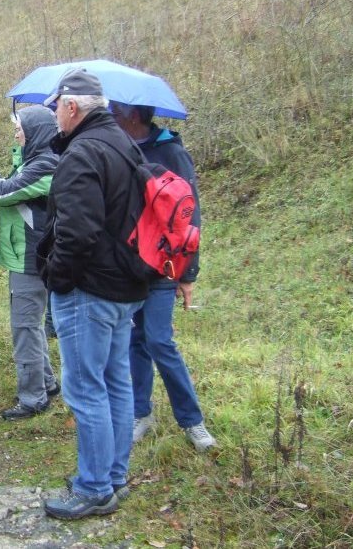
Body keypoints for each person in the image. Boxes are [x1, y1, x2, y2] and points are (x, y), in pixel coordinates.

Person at [37, 70, 148, 519]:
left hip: (90, 289)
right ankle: (112, 476)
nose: (53, 115)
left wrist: (57, 277)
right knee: (116, 382)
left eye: (55, 107)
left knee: (86, 389)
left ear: (71, 106)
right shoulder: (125, 143)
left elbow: (77, 233)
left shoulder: (83, 152)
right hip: (125, 286)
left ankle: (94, 487)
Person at [110, 102, 216, 452]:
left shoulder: (172, 152)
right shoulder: (118, 147)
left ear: (134, 116)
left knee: (158, 340)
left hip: (164, 264)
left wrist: (189, 272)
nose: (110, 116)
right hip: (129, 261)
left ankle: (192, 420)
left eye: (115, 112)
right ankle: (140, 413)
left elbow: (190, 213)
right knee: (134, 339)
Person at [0, 106, 61, 420]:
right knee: (31, 326)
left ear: (36, 132)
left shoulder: (46, 165)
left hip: (32, 258)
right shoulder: (34, 161)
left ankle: (33, 398)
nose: (17, 134)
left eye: (21, 129)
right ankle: (46, 383)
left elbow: (0, 193)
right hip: (26, 255)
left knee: (25, 328)